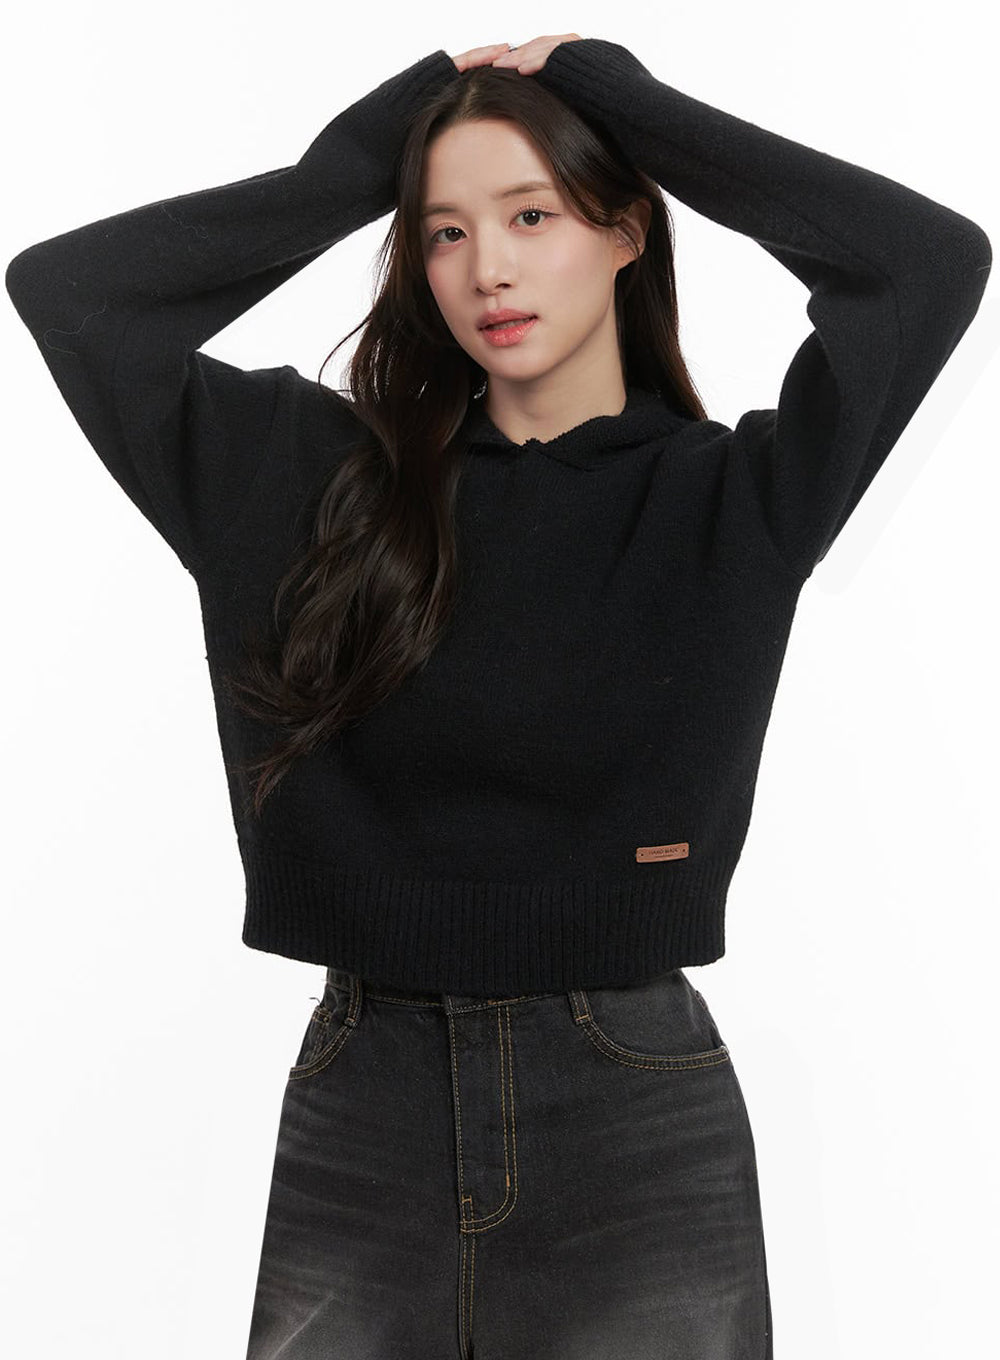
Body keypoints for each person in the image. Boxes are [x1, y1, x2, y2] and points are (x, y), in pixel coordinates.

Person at [5, 31, 991, 1360]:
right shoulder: (309, 482)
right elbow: (72, 295)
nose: (489, 270)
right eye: (444, 232)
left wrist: (620, 104)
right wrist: (387, 142)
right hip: (367, 1101)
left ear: (626, 227)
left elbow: (926, 265)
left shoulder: (728, 499)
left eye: (533, 215)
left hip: (635, 1112)